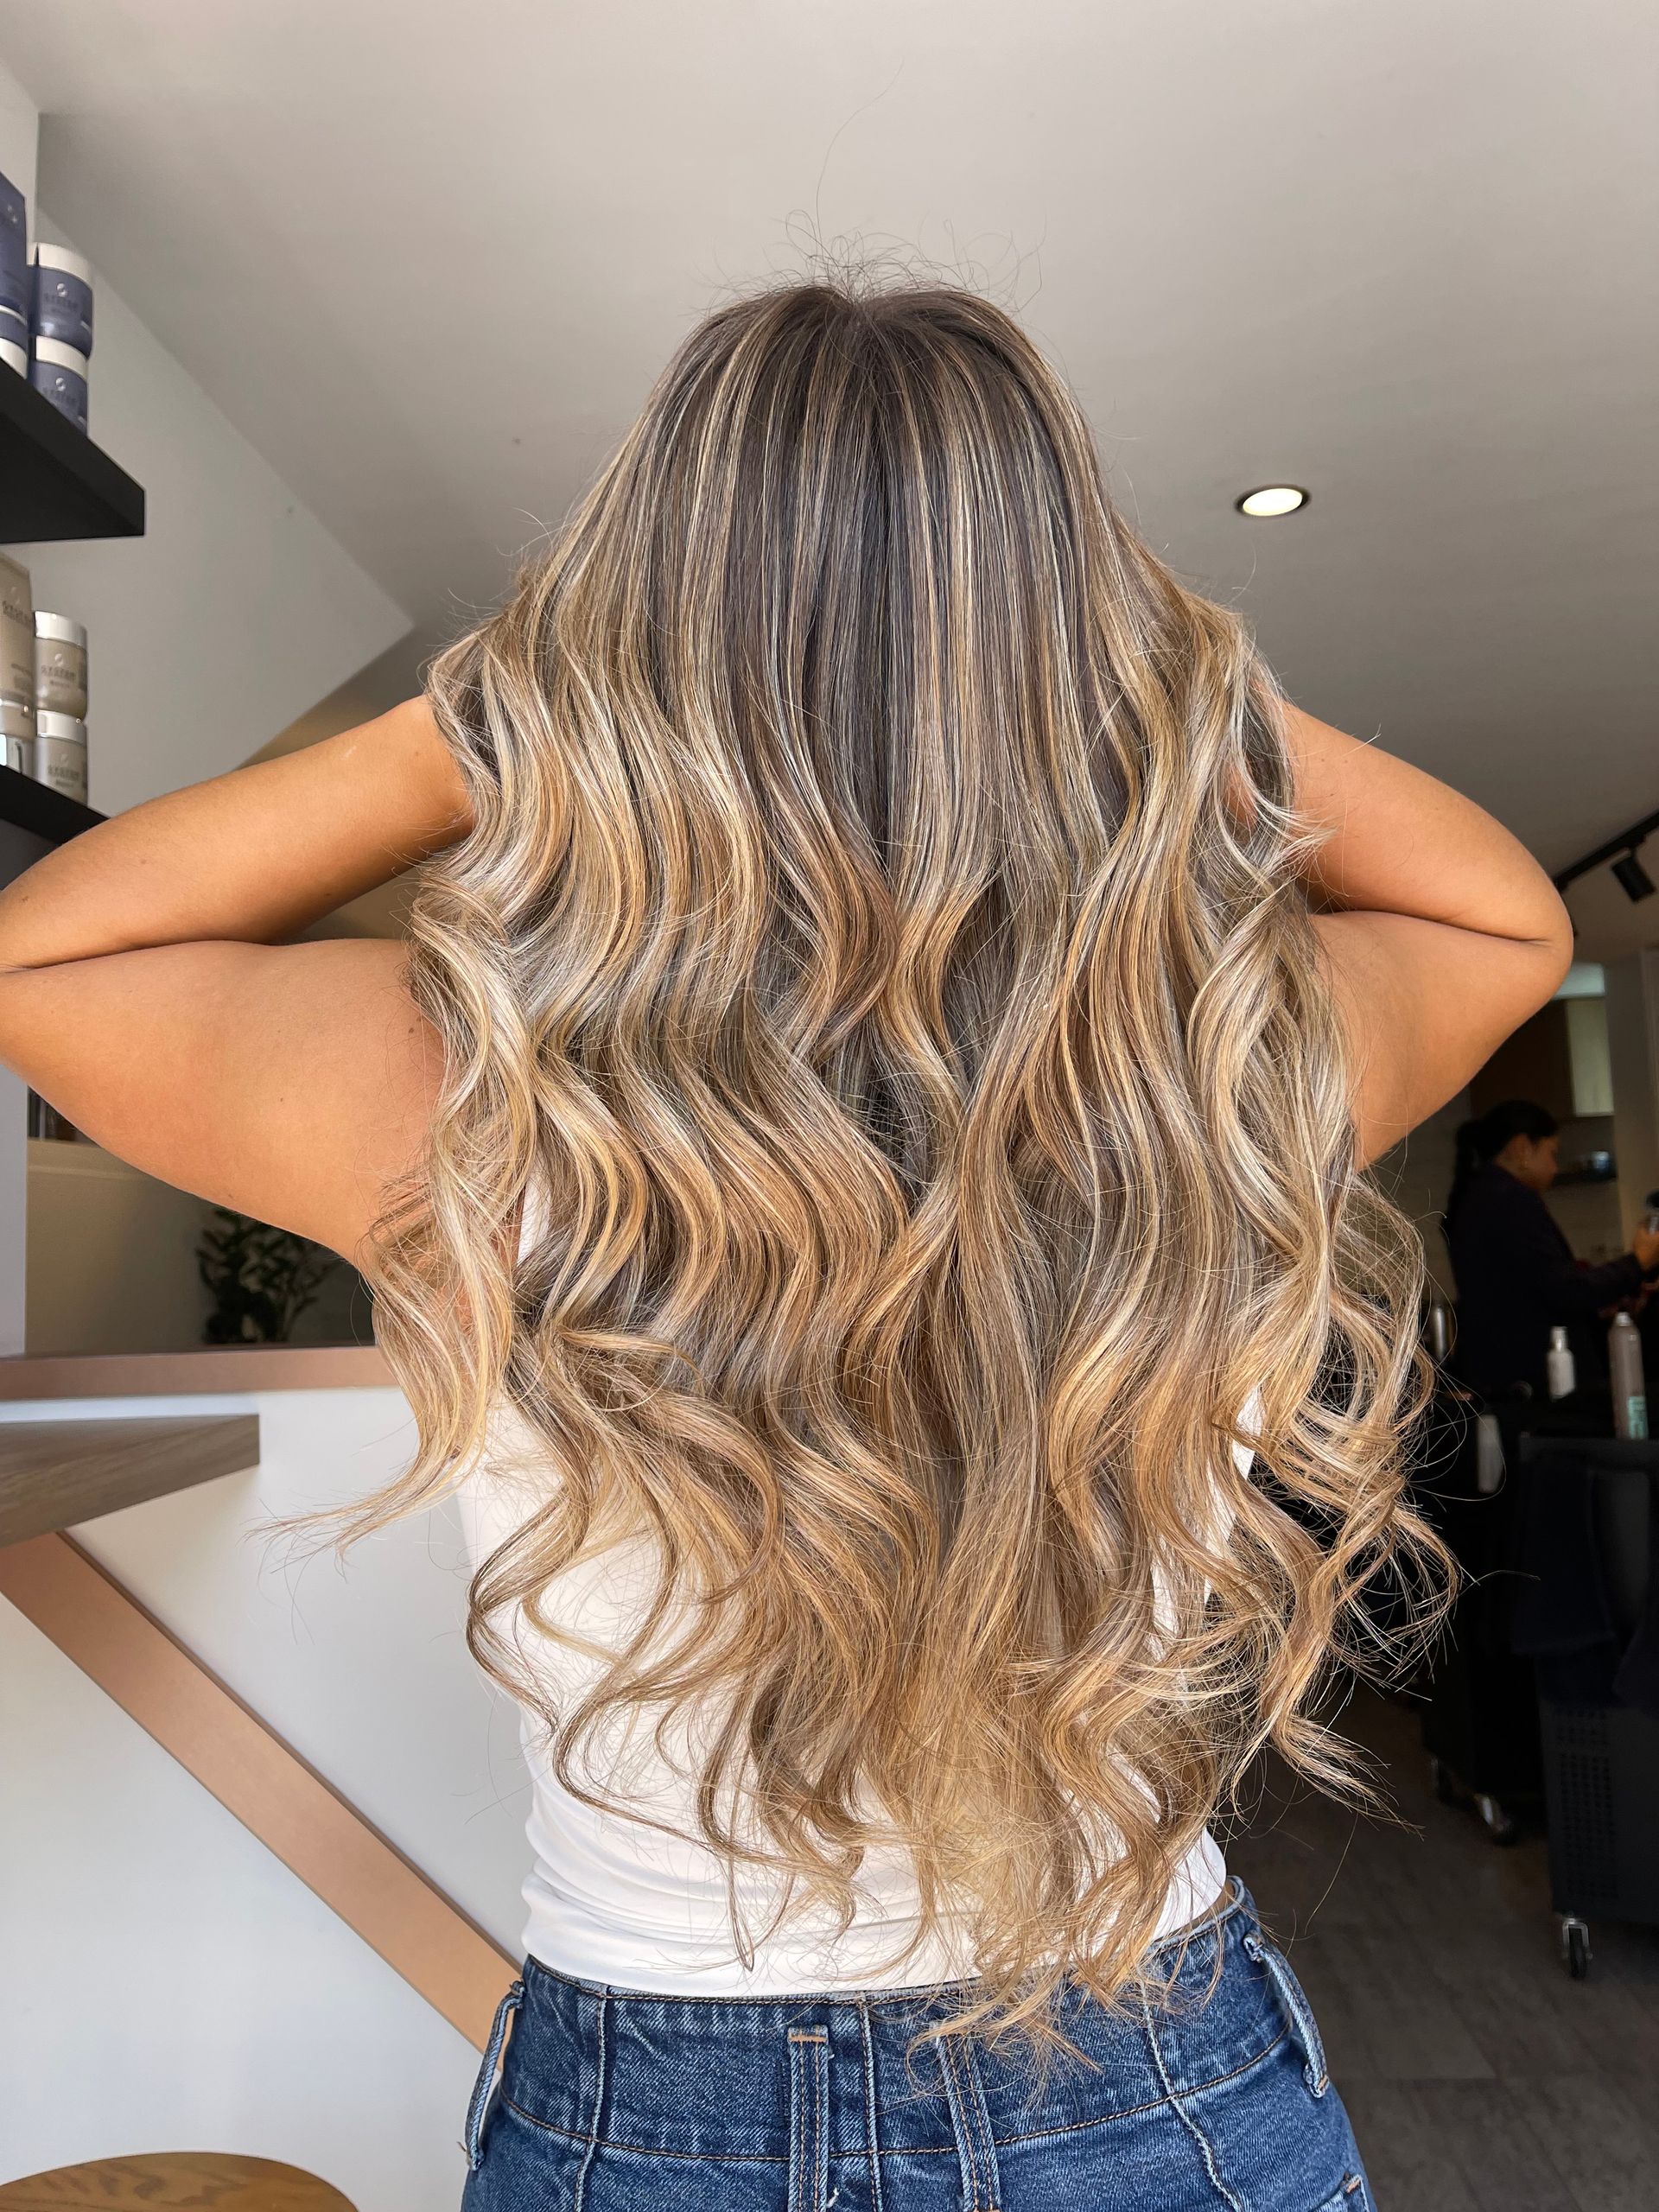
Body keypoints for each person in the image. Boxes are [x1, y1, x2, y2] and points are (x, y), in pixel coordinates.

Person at [0, 277, 1581, 2209]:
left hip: (653, 2108)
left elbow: (47, 956)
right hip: (1153, 2076)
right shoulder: (1225, 1053)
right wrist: (1182, 685)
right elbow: (1508, 919)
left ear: (634, 639)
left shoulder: (475, 1082)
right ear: (1082, 645)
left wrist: (479, 720)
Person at [1443, 1097, 1659, 1402]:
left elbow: (1535, 1285)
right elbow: (1566, 1289)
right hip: (1534, 1377)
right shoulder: (1509, 1199)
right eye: (1552, 1153)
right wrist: (1638, 1261)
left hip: (1501, 1369)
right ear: (1521, 1148)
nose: (1555, 1167)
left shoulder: (1479, 1197)